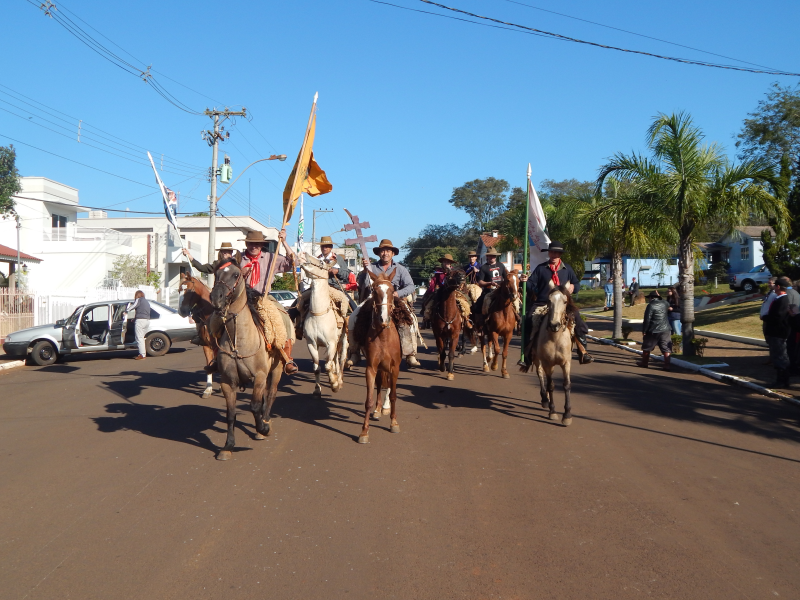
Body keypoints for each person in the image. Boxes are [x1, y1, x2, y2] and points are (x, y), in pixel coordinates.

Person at [521, 241, 593, 364]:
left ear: (560, 254)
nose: (554, 255)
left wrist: (573, 287)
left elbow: (576, 283)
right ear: (548, 253)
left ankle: (583, 351)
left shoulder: (567, 269)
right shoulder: (541, 268)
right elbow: (531, 286)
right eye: (552, 252)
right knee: (528, 320)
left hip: (563, 304)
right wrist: (525, 281)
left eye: (557, 253)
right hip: (543, 303)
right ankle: (527, 356)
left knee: (578, 320)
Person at [239, 229, 298, 374]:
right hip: (242, 298)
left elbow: (294, 262)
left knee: (283, 317)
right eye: (251, 243)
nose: (254, 246)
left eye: (257, 244)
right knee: (221, 317)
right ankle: (218, 355)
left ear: (261, 245)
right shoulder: (238, 258)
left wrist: (284, 242)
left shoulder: (271, 257)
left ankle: (287, 357)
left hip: (263, 297)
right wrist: (240, 274)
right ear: (246, 244)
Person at [356, 239, 420, 367]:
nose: (385, 253)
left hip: (394, 300)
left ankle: (410, 353)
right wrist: (364, 271)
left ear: (393, 253)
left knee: (410, 320)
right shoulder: (371, 267)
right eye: (382, 251)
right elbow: (361, 285)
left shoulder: (400, 269)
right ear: (379, 253)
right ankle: (354, 351)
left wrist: (397, 293)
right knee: (355, 317)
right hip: (374, 300)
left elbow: (410, 286)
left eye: (388, 251)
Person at [292, 236, 353, 338]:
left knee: (347, 301)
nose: (324, 248)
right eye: (323, 246)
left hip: (333, 287)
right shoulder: (317, 259)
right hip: (317, 287)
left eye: (327, 246)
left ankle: (348, 325)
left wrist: (337, 271)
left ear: (331, 247)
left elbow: (346, 274)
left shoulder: (338, 259)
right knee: (300, 300)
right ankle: (299, 325)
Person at [764, 277, 792, 388]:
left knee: (779, 356)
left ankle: (781, 381)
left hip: (778, 332)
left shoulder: (782, 300)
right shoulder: (780, 298)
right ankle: (784, 380)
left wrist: (765, 317)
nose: (773, 288)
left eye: (775, 286)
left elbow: (778, 317)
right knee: (780, 356)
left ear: (778, 287)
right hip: (777, 332)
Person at [636, 291, 672, 370]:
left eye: (649, 298)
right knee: (665, 347)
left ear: (651, 298)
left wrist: (644, 330)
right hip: (665, 328)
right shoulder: (665, 303)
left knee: (647, 346)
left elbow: (647, 319)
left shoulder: (651, 305)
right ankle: (667, 365)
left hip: (653, 329)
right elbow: (668, 305)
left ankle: (644, 362)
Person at [421, 253, 456, 327]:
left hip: (453, 291)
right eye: (444, 262)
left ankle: (466, 319)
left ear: (450, 263)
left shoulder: (454, 272)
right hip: (440, 291)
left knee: (463, 304)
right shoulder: (438, 272)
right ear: (442, 263)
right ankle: (427, 317)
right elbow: (434, 282)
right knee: (429, 303)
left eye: (448, 262)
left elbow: (458, 282)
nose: (446, 263)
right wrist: (431, 291)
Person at [475, 248, 508, 316]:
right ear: (487, 256)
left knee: (515, 302)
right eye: (490, 255)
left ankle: (518, 318)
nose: (492, 257)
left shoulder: (501, 265)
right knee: (478, 305)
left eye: (494, 255)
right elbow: (480, 282)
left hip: (501, 290)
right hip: (489, 291)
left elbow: (507, 277)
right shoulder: (484, 267)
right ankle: (481, 319)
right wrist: (490, 283)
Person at [125, 290, 151, 360]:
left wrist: (126, 311)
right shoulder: (146, 302)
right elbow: (142, 311)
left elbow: (134, 305)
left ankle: (142, 354)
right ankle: (144, 353)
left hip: (140, 321)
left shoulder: (139, 300)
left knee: (139, 338)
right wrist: (135, 318)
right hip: (147, 321)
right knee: (142, 338)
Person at [760, 277, 778, 365]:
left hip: (769, 319)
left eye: (770, 283)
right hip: (765, 318)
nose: (769, 284)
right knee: (768, 339)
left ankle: (774, 358)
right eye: (768, 283)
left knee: (771, 339)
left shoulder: (775, 294)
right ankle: (771, 357)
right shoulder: (769, 293)